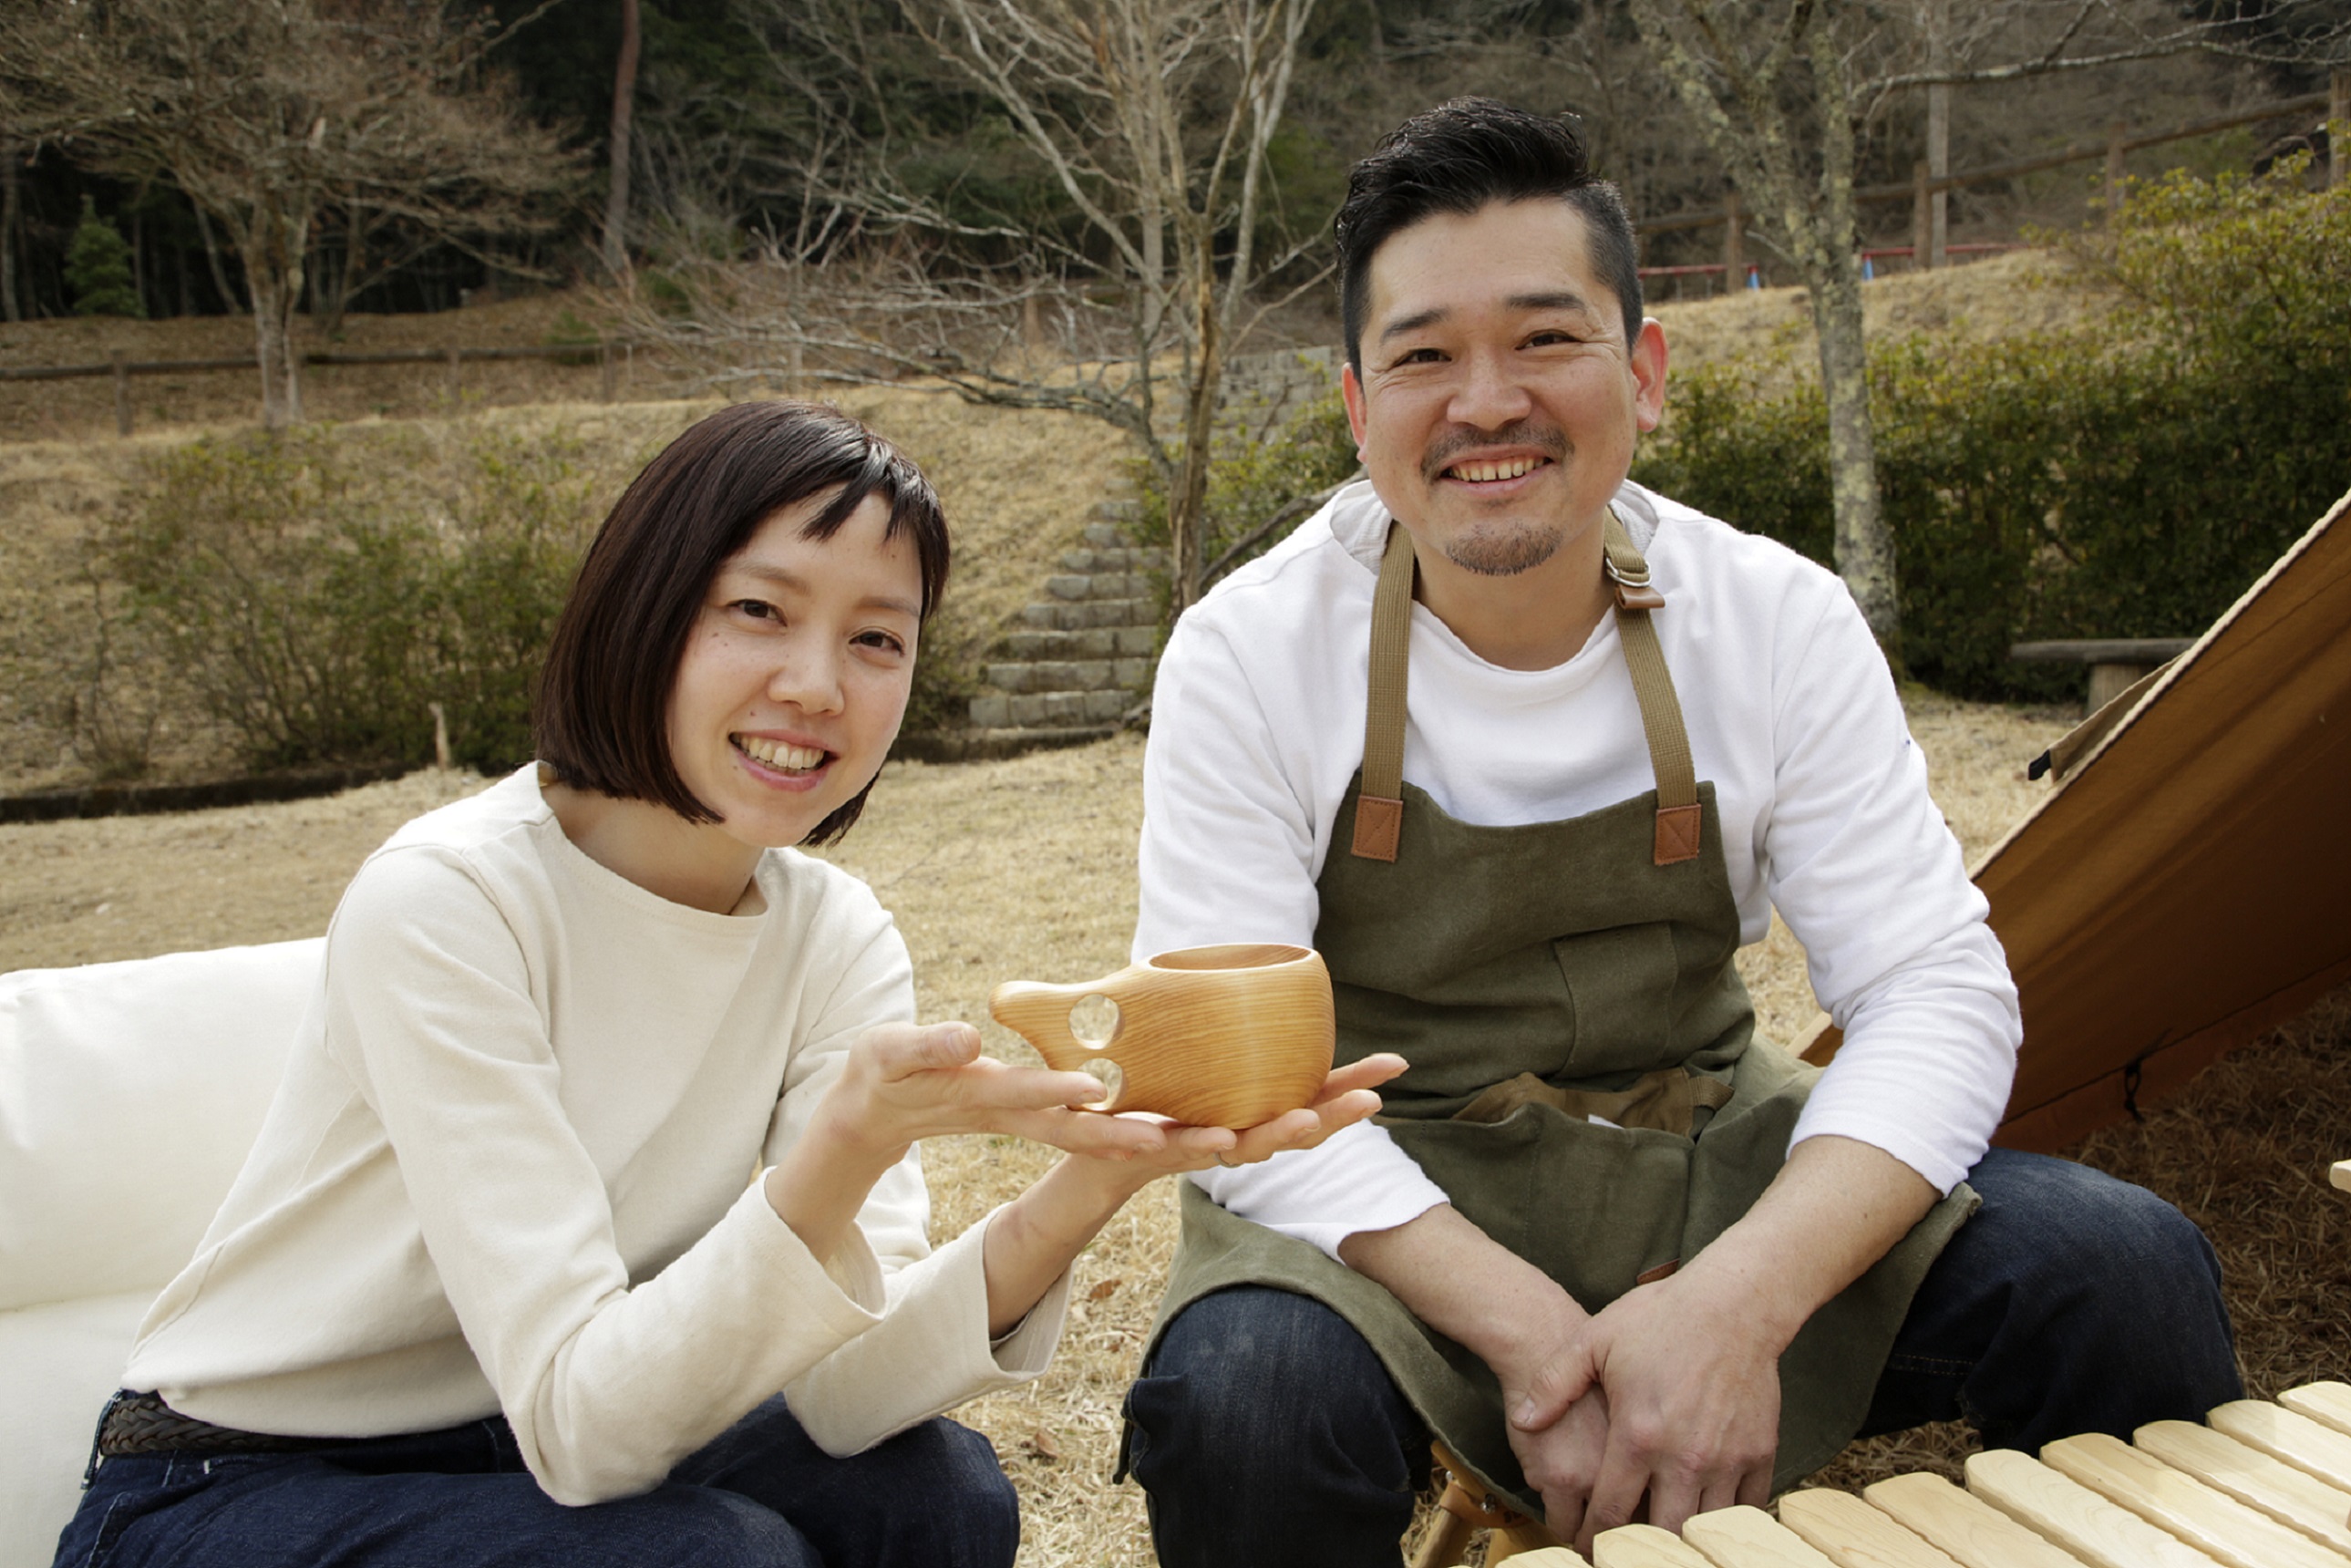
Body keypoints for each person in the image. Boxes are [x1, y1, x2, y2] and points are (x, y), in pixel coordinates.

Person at [1119, 99, 2241, 1563]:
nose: (1486, 403)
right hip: (1390, 1208)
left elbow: (1930, 991)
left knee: (2122, 1270)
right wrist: (1533, 1334)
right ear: (1354, 408)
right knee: (1244, 1404)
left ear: (1645, 374)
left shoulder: (1772, 616)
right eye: (1423, 357)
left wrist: (1736, 1305)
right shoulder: (1251, 651)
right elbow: (1237, 1093)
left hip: (1713, 1159)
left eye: (1544, 339)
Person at [51, 400, 1397, 1568]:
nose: (816, 685)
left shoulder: (832, 932)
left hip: (524, 1454)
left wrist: (1096, 1178)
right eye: (758, 610)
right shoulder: (452, 902)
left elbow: (847, 1388)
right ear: (646, 610)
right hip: (233, 1491)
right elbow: (581, 1431)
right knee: (709, 1559)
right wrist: (834, 1157)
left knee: (936, 1500)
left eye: (879, 640)